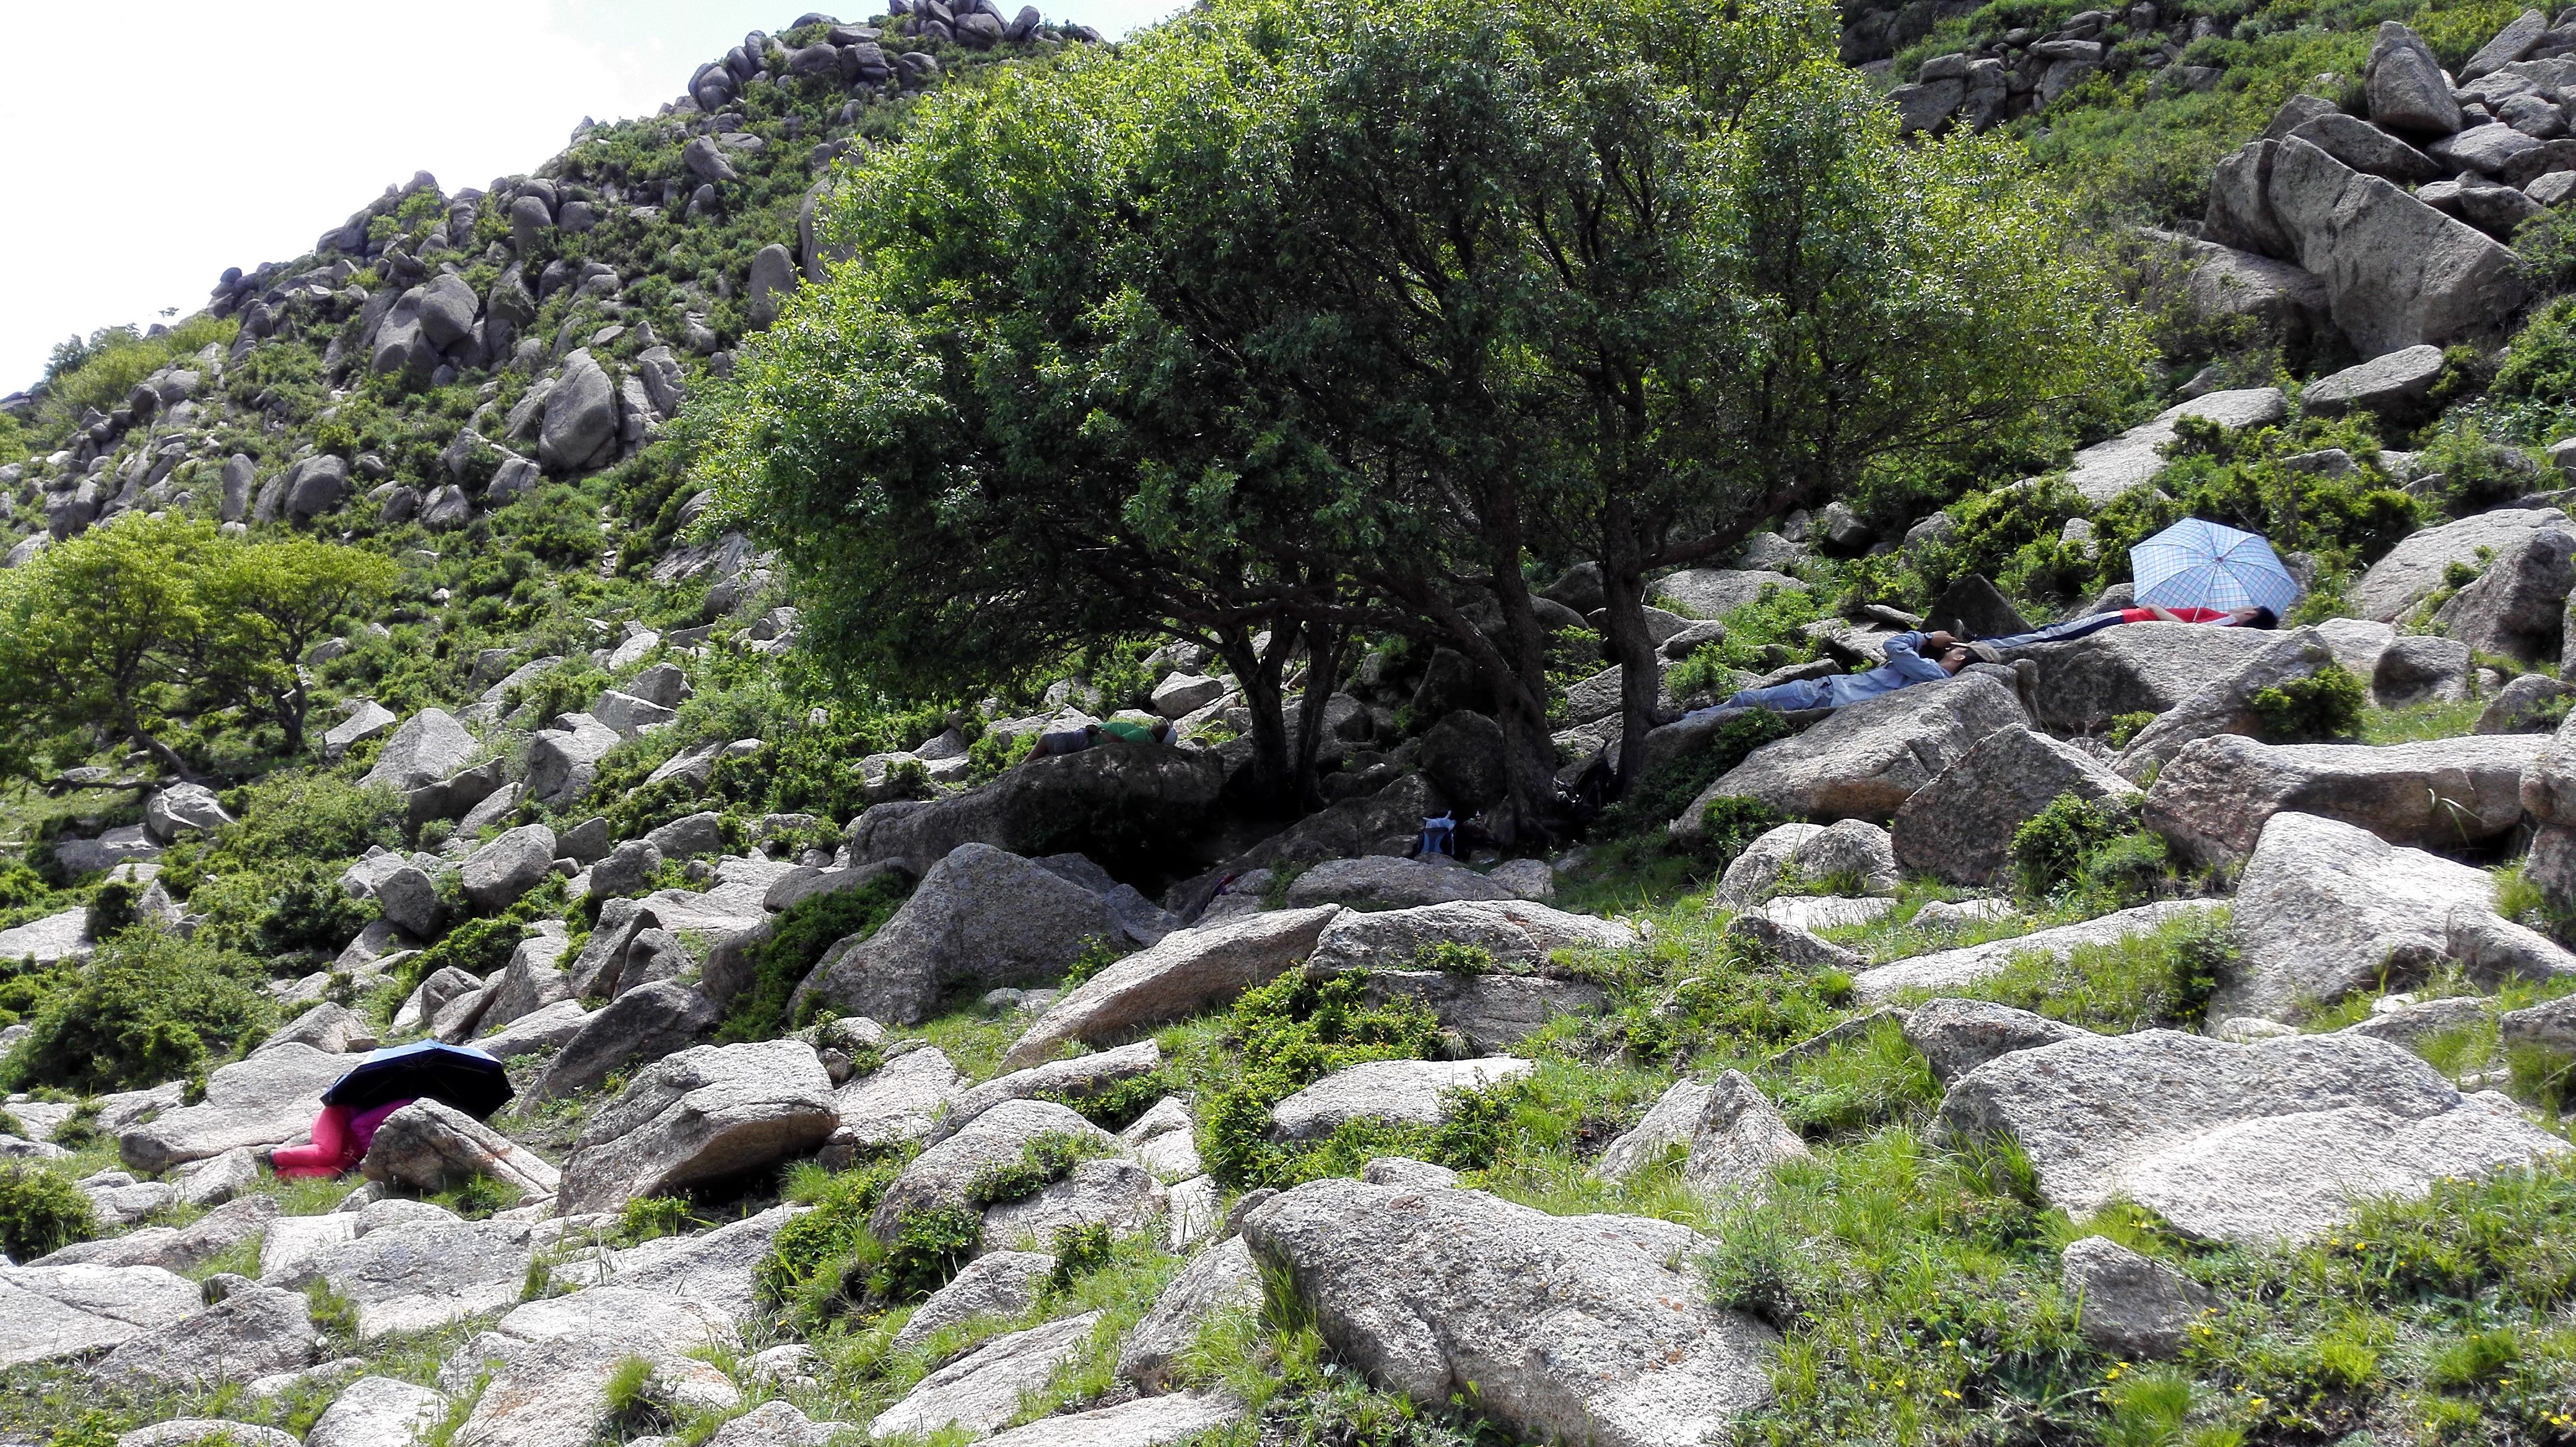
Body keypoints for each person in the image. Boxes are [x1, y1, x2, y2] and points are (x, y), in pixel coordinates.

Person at [1673, 629, 1975, 725]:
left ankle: (1682, 721)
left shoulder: (1932, 673)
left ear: (1959, 657)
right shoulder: (1931, 676)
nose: (1951, 646)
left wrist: (1926, 637)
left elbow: (1893, 645)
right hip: (1832, 699)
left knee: (1745, 700)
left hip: (1827, 695)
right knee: (1748, 708)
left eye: (1957, 647)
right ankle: (1688, 719)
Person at [1977, 603, 2276, 649]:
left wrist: (2157, 609)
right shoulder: (2224, 628)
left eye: (2246, 606)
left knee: (2052, 633)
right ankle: (1984, 643)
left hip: (2131, 619)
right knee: (2055, 632)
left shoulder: (2227, 622)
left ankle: (1982, 645)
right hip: (2131, 623)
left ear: (2250, 614)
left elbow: (2189, 631)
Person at [271, 1096, 416, 1178]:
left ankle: (277, 1175)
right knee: (327, 1154)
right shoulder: (404, 1106)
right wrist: (370, 1152)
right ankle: (273, 1157)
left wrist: (363, 1165)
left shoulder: (422, 1131)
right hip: (339, 1118)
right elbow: (359, 1124)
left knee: (331, 1174)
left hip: (352, 1148)